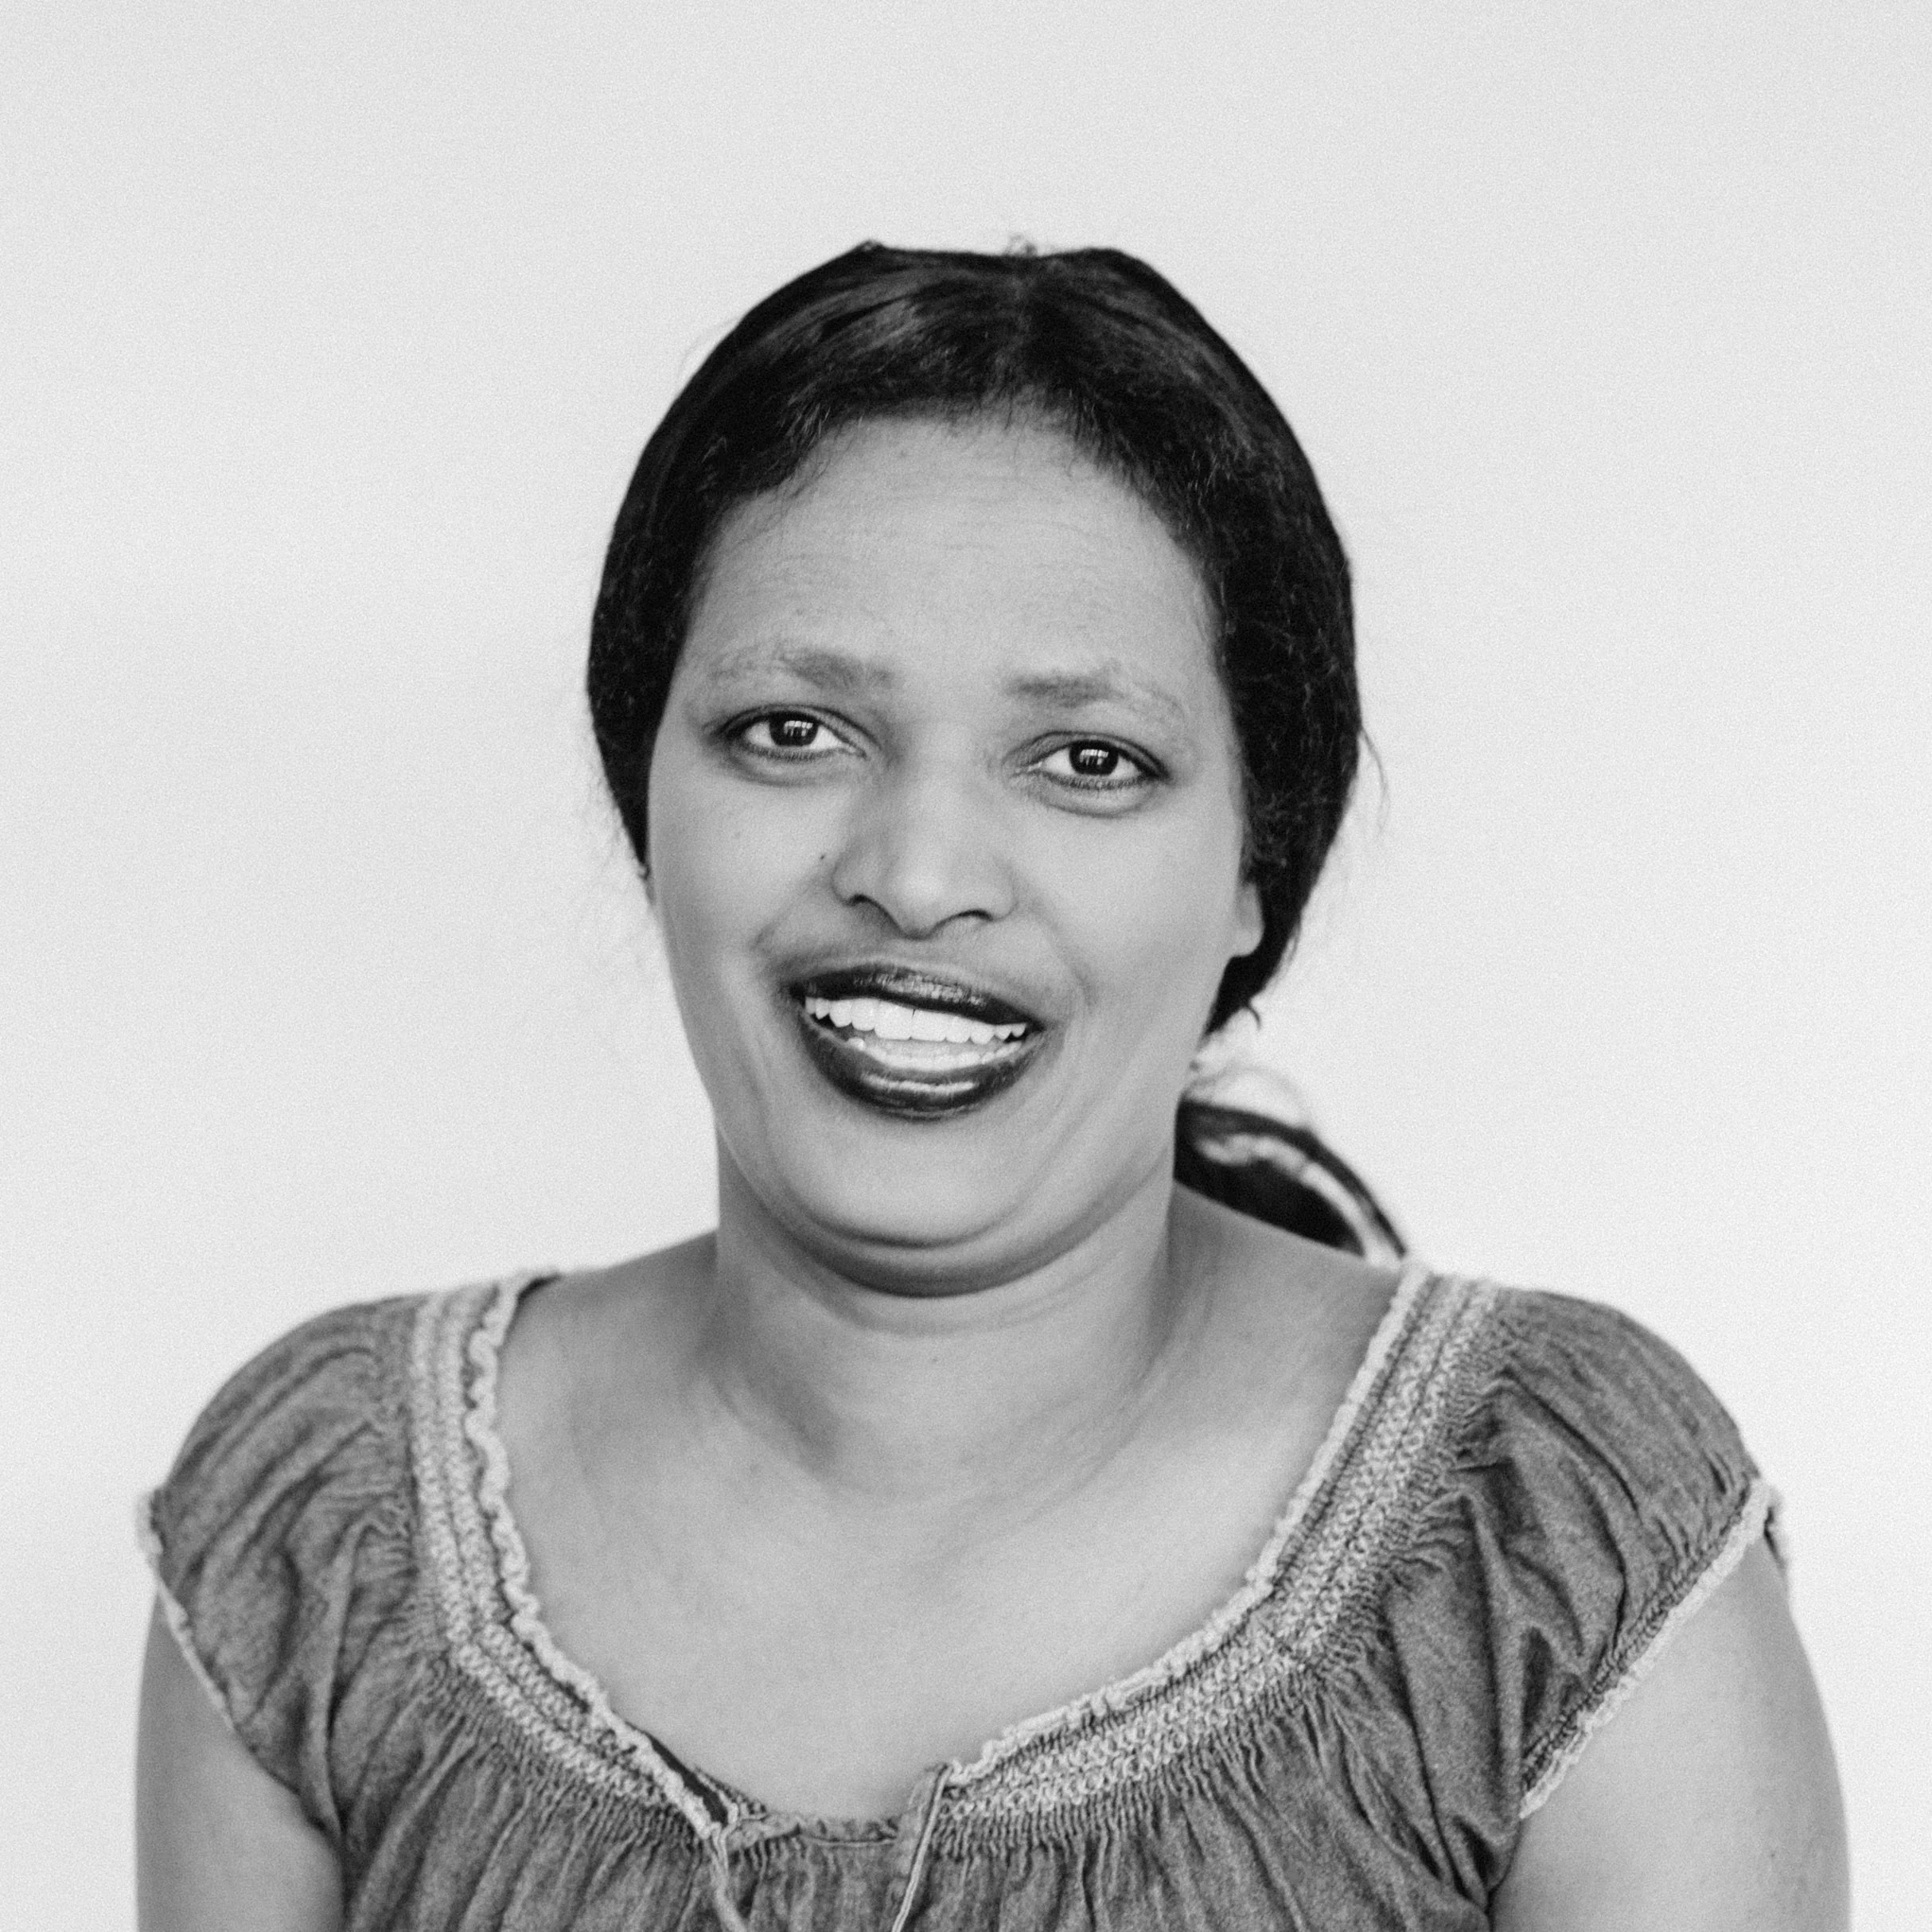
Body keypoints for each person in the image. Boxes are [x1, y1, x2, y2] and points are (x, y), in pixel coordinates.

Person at [136, 243, 1848, 1931]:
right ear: (643, 786)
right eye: (792, 729)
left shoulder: (1556, 1544)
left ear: (1253, 868)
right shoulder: (325, 1530)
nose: (916, 871)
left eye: (1087, 758)